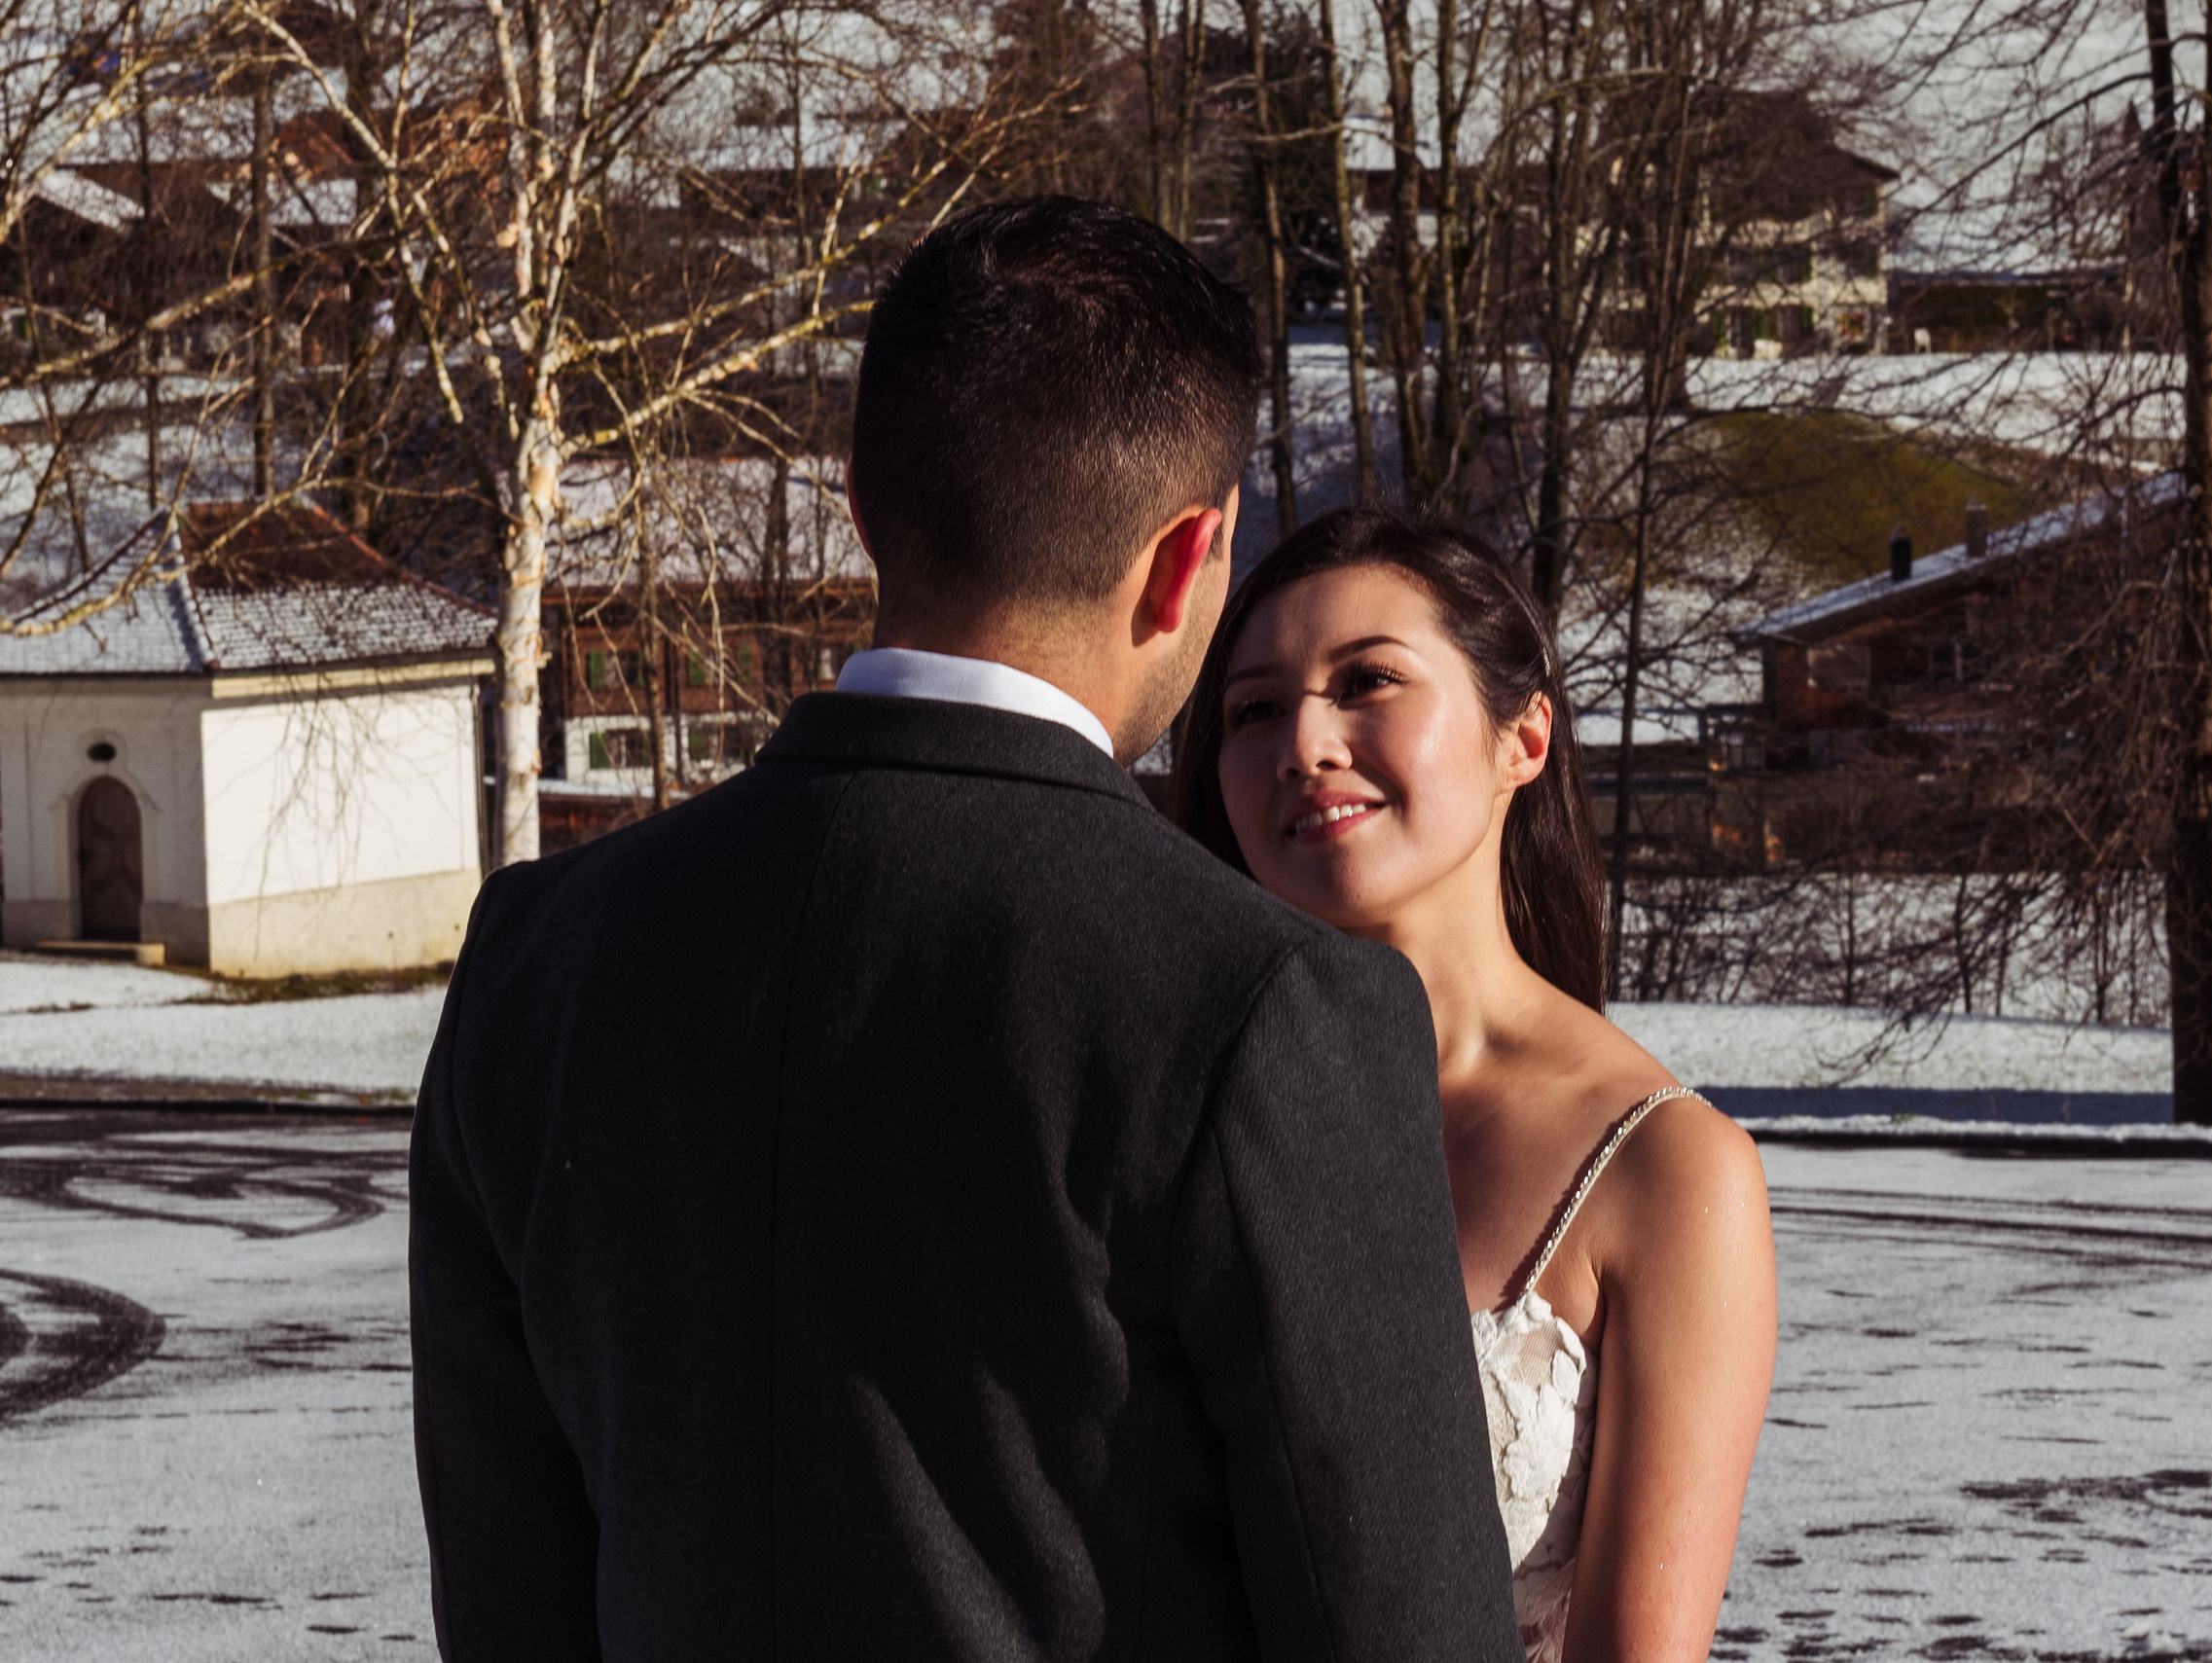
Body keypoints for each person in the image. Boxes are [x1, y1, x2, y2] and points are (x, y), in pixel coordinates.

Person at [408, 201, 1524, 1663]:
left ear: (864, 503)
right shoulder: (1263, 1002)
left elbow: (509, 1606)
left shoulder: (535, 958)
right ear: (1190, 560)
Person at [1173, 509, 1779, 1663]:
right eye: (1253, 708)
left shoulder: (1664, 1168)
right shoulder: (1161, 1103)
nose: (1305, 740)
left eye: (1368, 681)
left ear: (1524, 736)